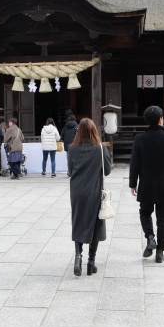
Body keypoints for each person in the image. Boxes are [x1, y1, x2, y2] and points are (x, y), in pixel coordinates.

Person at [129, 105, 164, 263]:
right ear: (161, 119)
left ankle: (150, 237)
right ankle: (160, 251)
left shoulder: (140, 139)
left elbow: (135, 164)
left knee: (145, 212)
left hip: (146, 182)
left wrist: (133, 183)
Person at [68, 118, 112, 276]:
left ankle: (78, 257)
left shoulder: (72, 149)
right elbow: (107, 170)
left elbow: (70, 171)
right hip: (94, 191)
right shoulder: (100, 148)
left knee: (78, 221)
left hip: (77, 191)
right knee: (96, 224)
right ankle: (91, 262)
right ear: (94, 130)